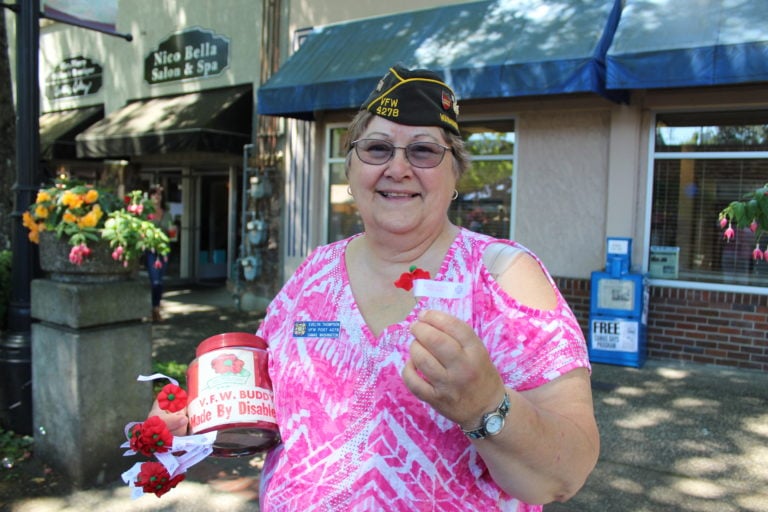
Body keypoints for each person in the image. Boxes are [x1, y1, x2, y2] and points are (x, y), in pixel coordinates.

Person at [152, 65, 599, 510]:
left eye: (423, 151)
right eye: (377, 148)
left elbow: (565, 474)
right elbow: (264, 403)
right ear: (351, 169)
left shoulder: (500, 276)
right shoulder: (315, 272)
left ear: (455, 173)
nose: (398, 168)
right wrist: (197, 413)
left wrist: (485, 405)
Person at [146, 184, 172, 321]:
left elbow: (171, 231)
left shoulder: (166, 214)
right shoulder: (146, 213)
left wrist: (174, 231)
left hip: (164, 250)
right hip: (151, 250)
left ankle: (156, 308)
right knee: (154, 281)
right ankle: (153, 308)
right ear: (150, 196)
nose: (157, 197)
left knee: (160, 281)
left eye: (159, 194)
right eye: (154, 194)